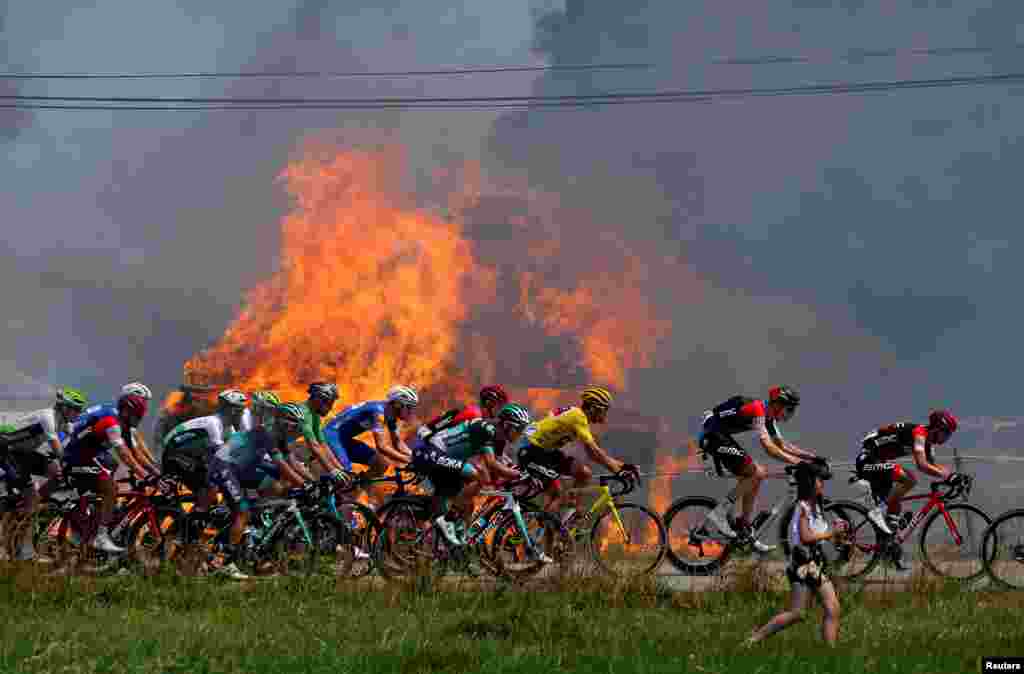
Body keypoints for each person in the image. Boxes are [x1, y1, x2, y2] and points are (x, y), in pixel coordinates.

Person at [699, 386, 815, 553]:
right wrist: (798, 462)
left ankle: (744, 528)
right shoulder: (758, 409)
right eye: (788, 409)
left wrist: (811, 457)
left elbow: (782, 445)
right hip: (712, 435)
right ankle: (719, 514)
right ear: (777, 404)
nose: (789, 414)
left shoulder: (768, 418)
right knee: (756, 473)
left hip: (720, 436)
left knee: (758, 474)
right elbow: (768, 447)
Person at [413, 403, 538, 553]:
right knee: (476, 476)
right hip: (432, 452)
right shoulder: (487, 429)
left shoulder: (496, 435)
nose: (519, 435)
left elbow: (500, 462)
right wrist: (520, 475)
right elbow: (492, 464)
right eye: (519, 430)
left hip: (443, 458)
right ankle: (447, 521)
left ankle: (459, 545)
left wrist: (522, 472)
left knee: (468, 505)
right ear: (507, 425)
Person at [207, 402, 311, 579]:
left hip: (243, 467)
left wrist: (314, 481)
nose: (297, 430)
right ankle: (222, 562)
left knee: (277, 488)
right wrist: (305, 485)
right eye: (295, 425)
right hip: (225, 466)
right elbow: (281, 465)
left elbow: (293, 463)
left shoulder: (280, 435)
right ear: (284, 422)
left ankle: (254, 539)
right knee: (243, 512)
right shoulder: (267, 433)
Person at [747, 459, 846, 647]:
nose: (822, 484)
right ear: (809, 482)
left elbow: (819, 536)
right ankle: (755, 638)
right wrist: (832, 532)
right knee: (800, 613)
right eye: (819, 480)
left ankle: (831, 652)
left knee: (829, 609)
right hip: (803, 566)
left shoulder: (816, 508)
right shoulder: (802, 507)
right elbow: (806, 537)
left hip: (812, 565)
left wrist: (838, 537)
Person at [516, 386, 639, 524]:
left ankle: (569, 512)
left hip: (545, 450)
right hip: (531, 450)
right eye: (604, 411)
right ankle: (545, 528)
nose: (605, 416)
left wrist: (623, 466)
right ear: (594, 409)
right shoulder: (578, 417)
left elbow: (594, 454)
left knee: (584, 473)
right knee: (557, 495)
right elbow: (595, 452)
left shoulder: (577, 416)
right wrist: (618, 471)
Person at [855, 409, 959, 570]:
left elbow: (934, 466)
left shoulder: (927, 442)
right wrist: (947, 477)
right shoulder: (920, 433)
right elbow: (922, 465)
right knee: (909, 479)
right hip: (867, 460)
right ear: (938, 429)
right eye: (947, 433)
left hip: (879, 461)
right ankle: (877, 512)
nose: (947, 438)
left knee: (895, 506)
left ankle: (889, 549)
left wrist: (954, 476)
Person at [63, 382, 154, 553]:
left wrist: (156, 473)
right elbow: (125, 455)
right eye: (143, 403)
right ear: (130, 407)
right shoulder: (112, 418)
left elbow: (136, 453)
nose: (144, 410)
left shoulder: (118, 416)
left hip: (86, 453)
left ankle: (93, 515)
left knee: (110, 467)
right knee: (111, 487)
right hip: (73, 454)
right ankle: (100, 535)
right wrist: (146, 476)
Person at [0, 387, 88, 559]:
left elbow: (78, 438)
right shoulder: (47, 417)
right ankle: (18, 541)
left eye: (80, 410)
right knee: (32, 498)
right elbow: (58, 449)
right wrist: (75, 464)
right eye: (76, 409)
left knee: (56, 472)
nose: (78, 413)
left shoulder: (62, 420)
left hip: (22, 453)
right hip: (6, 449)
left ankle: (30, 503)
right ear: (64, 408)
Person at [161, 389, 248, 544]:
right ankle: (185, 533)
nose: (242, 413)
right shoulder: (213, 423)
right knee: (209, 489)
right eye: (239, 409)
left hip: (192, 455)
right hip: (174, 454)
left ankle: (191, 524)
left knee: (213, 489)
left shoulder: (228, 427)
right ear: (231, 410)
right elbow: (221, 454)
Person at [322, 385, 418, 503]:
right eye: (409, 407)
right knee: (346, 475)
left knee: (381, 463)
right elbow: (382, 446)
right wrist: (409, 460)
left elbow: (397, 442)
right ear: (397, 404)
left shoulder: (389, 414)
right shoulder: (379, 413)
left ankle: (354, 494)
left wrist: (415, 456)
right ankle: (331, 501)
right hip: (331, 435)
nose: (411, 412)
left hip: (343, 439)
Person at [416, 385, 509, 442]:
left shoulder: (476, 413)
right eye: (499, 405)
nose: (500, 410)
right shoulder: (474, 415)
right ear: (489, 403)